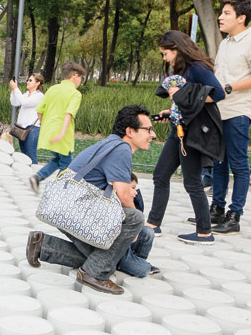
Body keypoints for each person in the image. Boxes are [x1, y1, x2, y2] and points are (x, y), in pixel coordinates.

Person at [25, 105, 156, 294]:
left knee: (100, 256)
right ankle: (94, 273)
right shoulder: (122, 149)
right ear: (130, 131)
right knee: (134, 218)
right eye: (148, 129)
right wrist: (131, 225)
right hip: (78, 210)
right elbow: (122, 194)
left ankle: (43, 246)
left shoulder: (109, 143)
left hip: (67, 206)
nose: (152, 135)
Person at [147, 30, 225, 245]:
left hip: (191, 132)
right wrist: (169, 111)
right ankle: (153, 224)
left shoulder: (197, 68)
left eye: (165, 53)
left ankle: (204, 232)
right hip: (177, 128)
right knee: (160, 175)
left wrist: (190, 99)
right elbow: (183, 98)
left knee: (192, 182)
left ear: (176, 49)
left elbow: (218, 93)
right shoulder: (181, 69)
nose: (164, 58)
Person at [205, 0, 251, 235]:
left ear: (241, 18)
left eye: (226, 13)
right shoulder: (226, 43)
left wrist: (229, 88)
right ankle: (217, 209)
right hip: (219, 111)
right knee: (219, 162)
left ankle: (234, 215)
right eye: (222, 12)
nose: (220, 16)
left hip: (238, 112)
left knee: (239, 166)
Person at [28, 61, 85, 193]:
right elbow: (68, 114)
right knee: (67, 164)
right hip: (62, 135)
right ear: (75, 76)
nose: (80, 81)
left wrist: (46, 126)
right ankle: (60, 192)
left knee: (58, 160)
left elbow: (39, 110)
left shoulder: (53, 89)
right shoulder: (75, 93)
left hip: (48, 132)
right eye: (80, 77)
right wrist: (61, 133)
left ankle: (38, 177)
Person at [116, 173, 160, 277]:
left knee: (148, 231)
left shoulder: (133, 201)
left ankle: (136, 260)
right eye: (133, 188)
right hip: (118, 248)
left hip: (128, 245)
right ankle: (128, 264)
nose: (136, 192)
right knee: (143, 270)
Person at [9, 73, 44, 164]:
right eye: (28, 80)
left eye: (30, 80)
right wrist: (13, 91)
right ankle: (27, 175)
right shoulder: (25, 94)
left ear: (38, 83)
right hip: (22, 129)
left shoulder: (39, 96)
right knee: (24, 157)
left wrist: (16, 89)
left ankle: (36, 176)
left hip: (32, 128)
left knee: (31, 156)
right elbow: (15, 103)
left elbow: (25, 103)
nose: (27, 82)